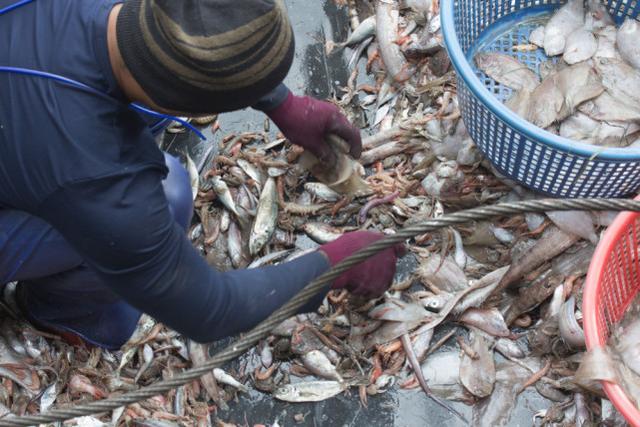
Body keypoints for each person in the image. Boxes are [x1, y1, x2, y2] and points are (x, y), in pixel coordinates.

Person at [0, 0, 403, 350]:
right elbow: (209, 310)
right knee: (170, 192)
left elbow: (197, 23)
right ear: (185, 103)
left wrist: (282, 103)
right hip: (50, 140)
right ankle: (65, 314)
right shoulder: (99, 176)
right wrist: (335, 264)